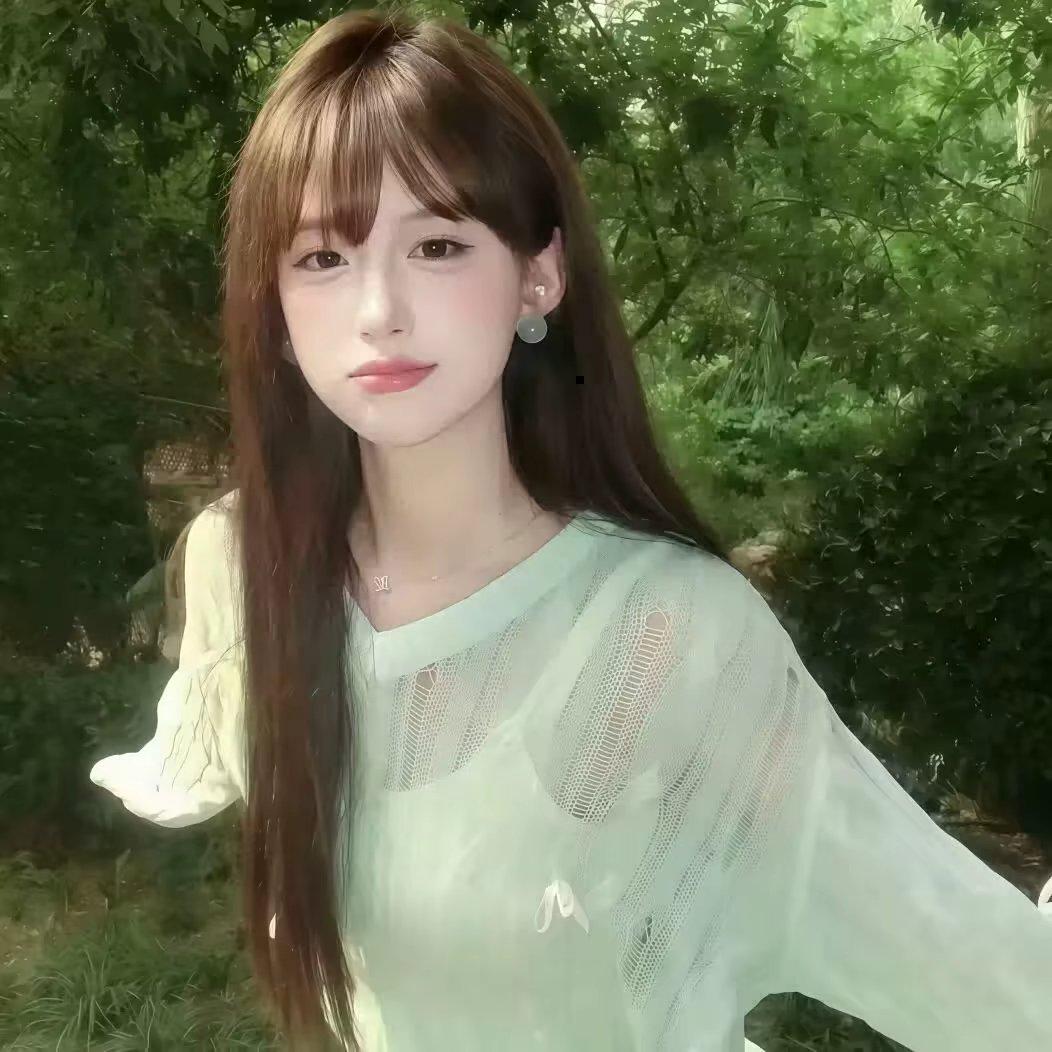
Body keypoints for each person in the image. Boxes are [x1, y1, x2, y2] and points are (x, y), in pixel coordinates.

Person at [88, 8, 1052, 1051]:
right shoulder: (250, 561)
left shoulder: (665, 628)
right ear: (273, 303)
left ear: (537, 274)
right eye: (322, 257)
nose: (377, 310)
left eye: (438, 245)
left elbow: (976, 978)